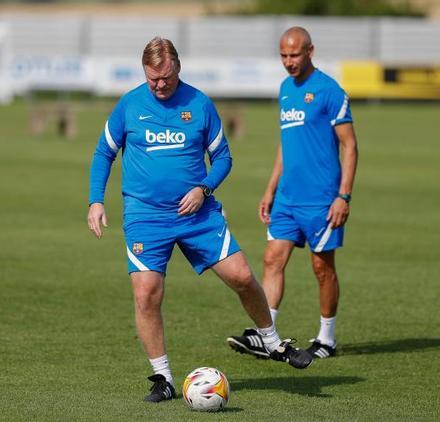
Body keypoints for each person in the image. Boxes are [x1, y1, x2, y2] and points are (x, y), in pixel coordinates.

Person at [87, 36, 312, 404]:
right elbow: (104, 153)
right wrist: (96, 200)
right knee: (146, 294)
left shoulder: (199, 103)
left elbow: (223, 158)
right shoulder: (129, 105)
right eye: (152, 79)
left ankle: (272, 343)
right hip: (147, 217)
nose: (159, 85)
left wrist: (204, 188)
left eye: (166, 78)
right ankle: (162, 377)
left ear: (178, 68)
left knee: (241, 276)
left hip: (198, 215)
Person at [228, 27, 359, 360]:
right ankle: (267, 336)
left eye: (295, 55)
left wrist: (343, 196)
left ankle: (326, 339)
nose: (288, 62)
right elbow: (285, 147)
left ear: (310, 51)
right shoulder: (285, 89)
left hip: (321, 199)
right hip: (287, 198)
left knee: (321, 267)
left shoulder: (330, 91)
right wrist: (270, 190)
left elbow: (350, 145)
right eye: (283, 55)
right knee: (272, 259)